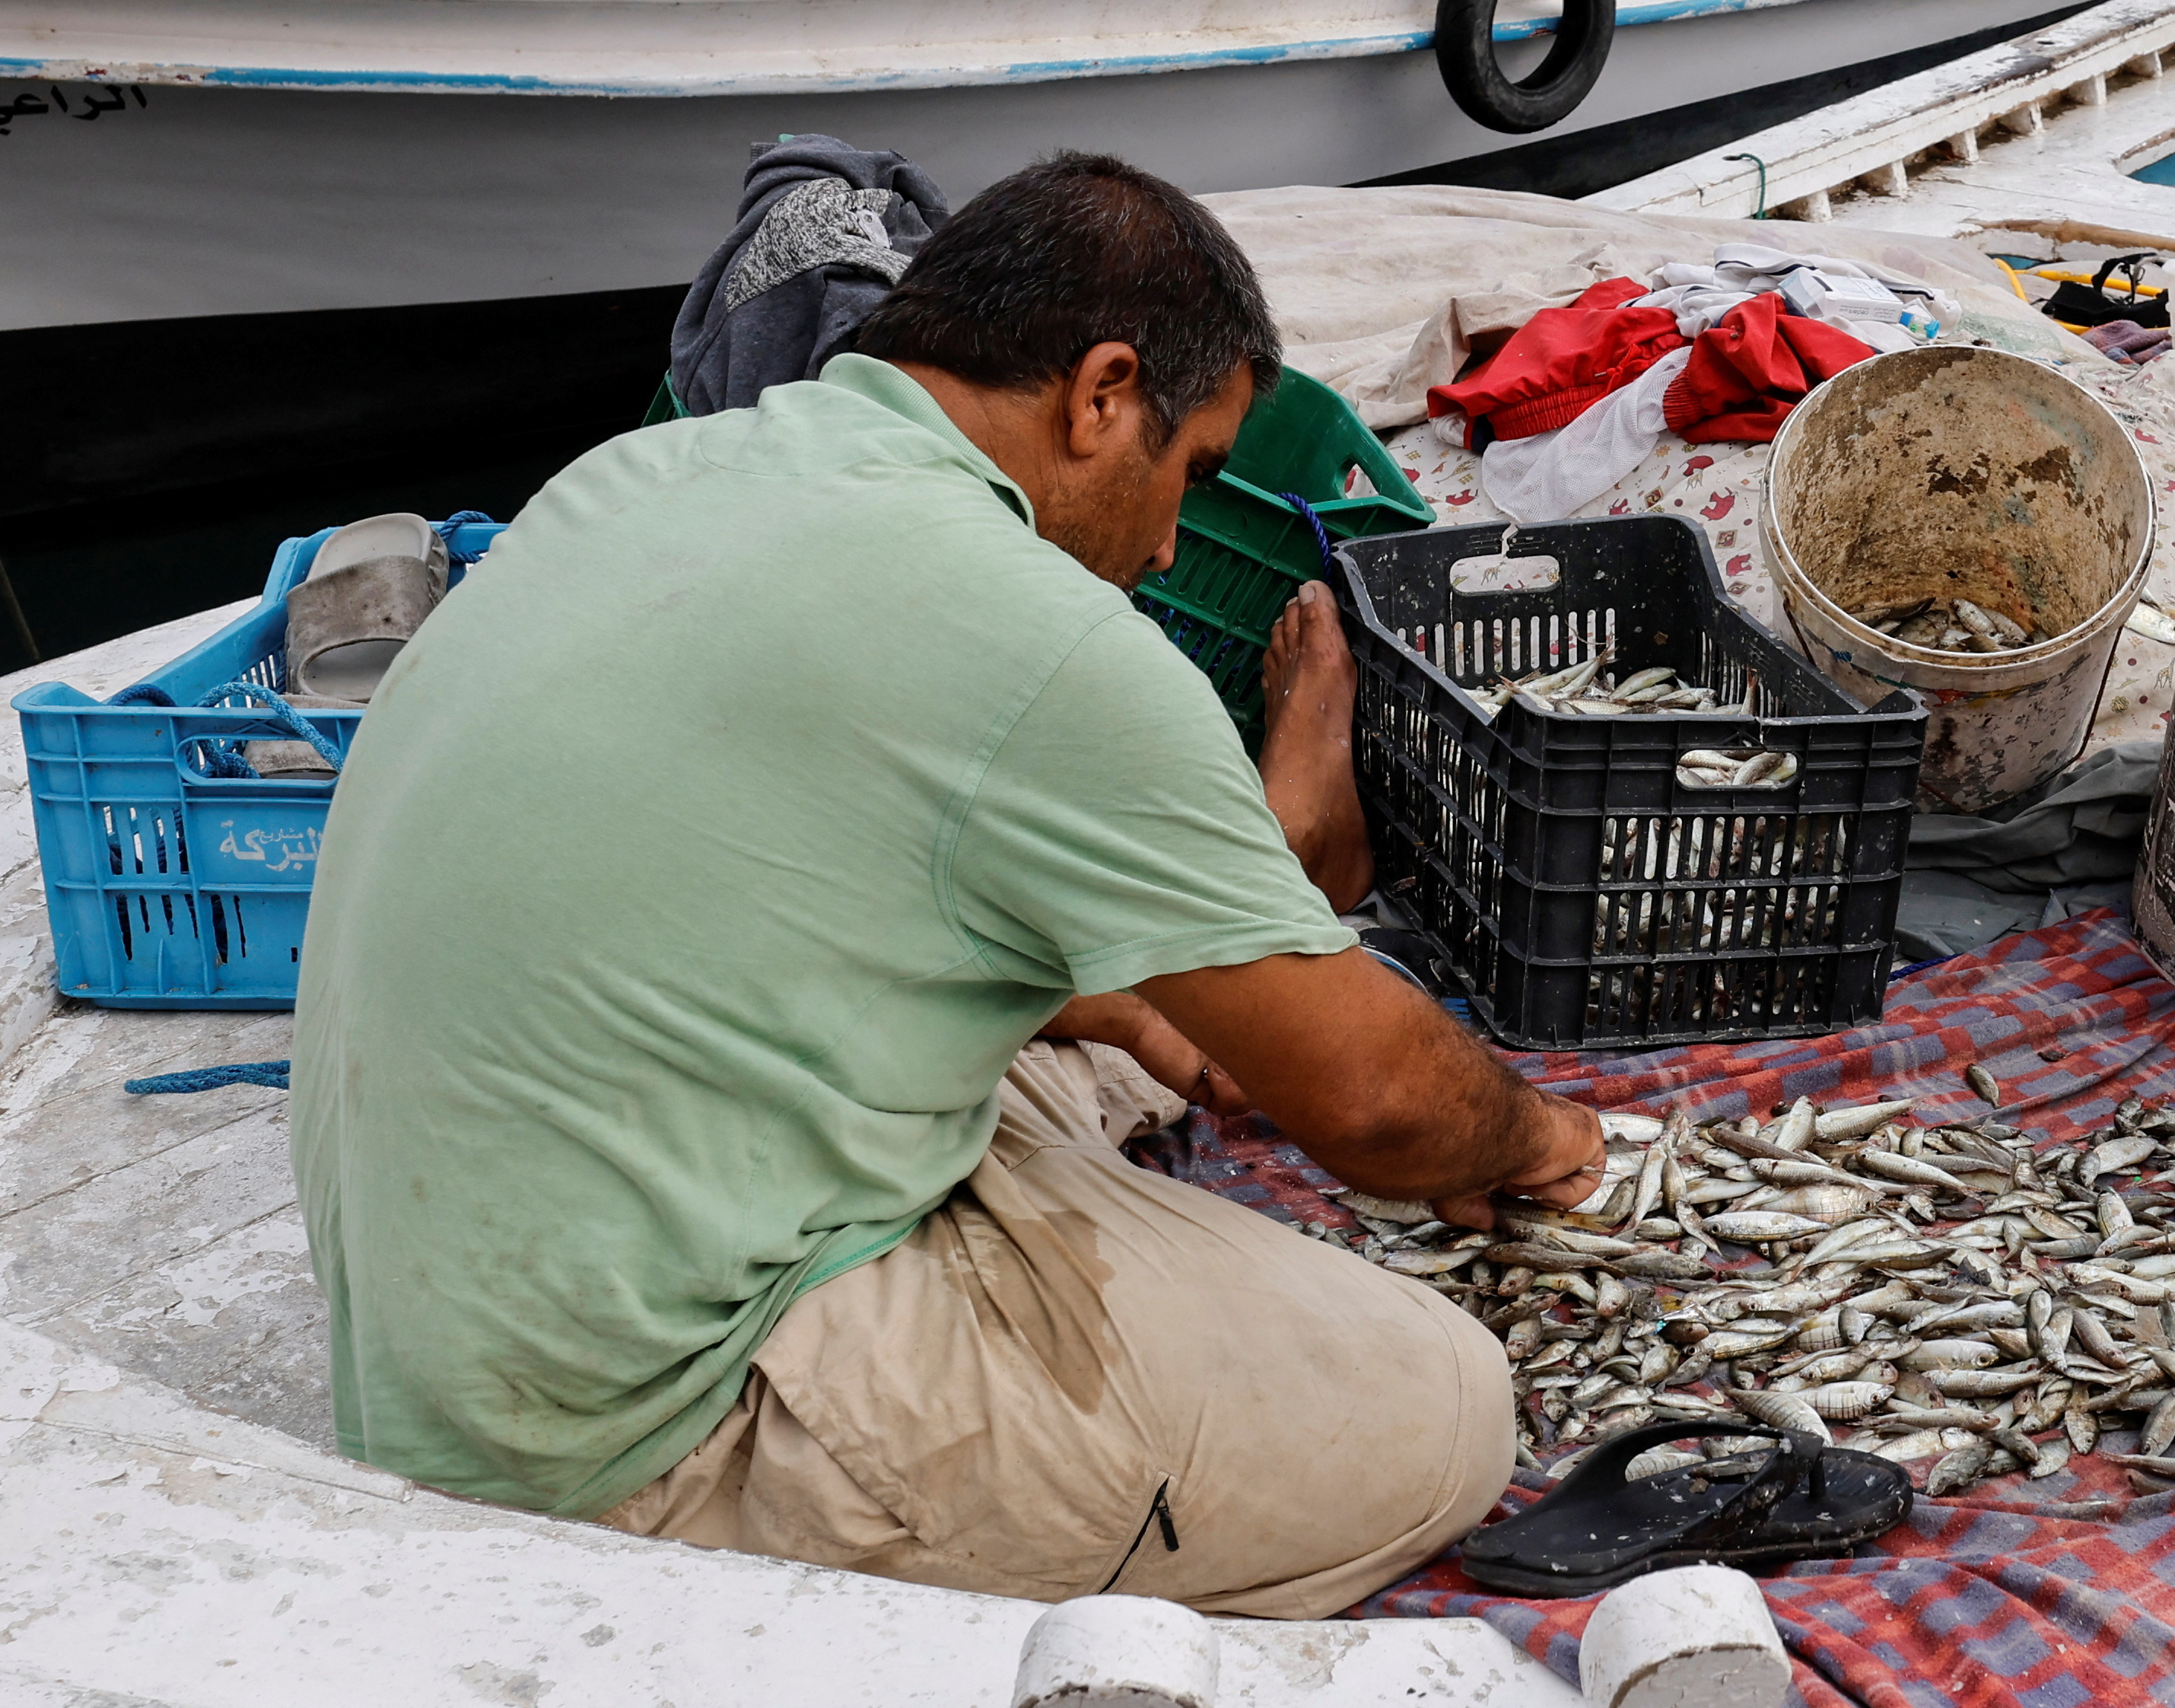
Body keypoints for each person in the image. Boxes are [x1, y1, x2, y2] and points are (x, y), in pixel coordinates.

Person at [294, 153, 1602, 1617]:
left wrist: (1107, 1010)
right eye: (1193, 473)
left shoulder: (643, 473)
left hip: (451, 1330)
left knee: (1134, 1042)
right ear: (1103, 393)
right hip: (619, 1429)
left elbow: (779, 890)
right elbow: (1382, 1109)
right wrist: (1531, 1130)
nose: (1175, 539)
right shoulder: (1033, 629)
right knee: (1441, 1407)